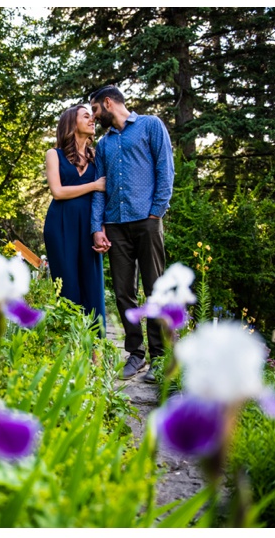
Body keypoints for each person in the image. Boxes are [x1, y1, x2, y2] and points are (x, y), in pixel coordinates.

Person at [89, 85, 175, 382]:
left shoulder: (151, 125)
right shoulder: (103, 144)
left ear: (108, 103)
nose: (94, 115)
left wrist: (157, 212)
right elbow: (100, 189)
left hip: (147, 220)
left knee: (155, 289)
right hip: (115, 225)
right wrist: (97, 227)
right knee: (124, 291)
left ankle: (161, 359)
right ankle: (135, 354)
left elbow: (165, 169)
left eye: (96, 109)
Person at [43, 104, 107, 338]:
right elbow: (58, 192)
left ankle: (96, 350)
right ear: (72, 123)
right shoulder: (54, 155)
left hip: (88, 226)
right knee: (67, 284)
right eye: (86, 116)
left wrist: (101, 230)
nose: (93, 120)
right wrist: (93, 185)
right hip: (60, 225)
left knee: (93, 284)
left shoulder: (97, 156)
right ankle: (70, 344)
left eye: (92, 117)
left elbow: (100, 198)